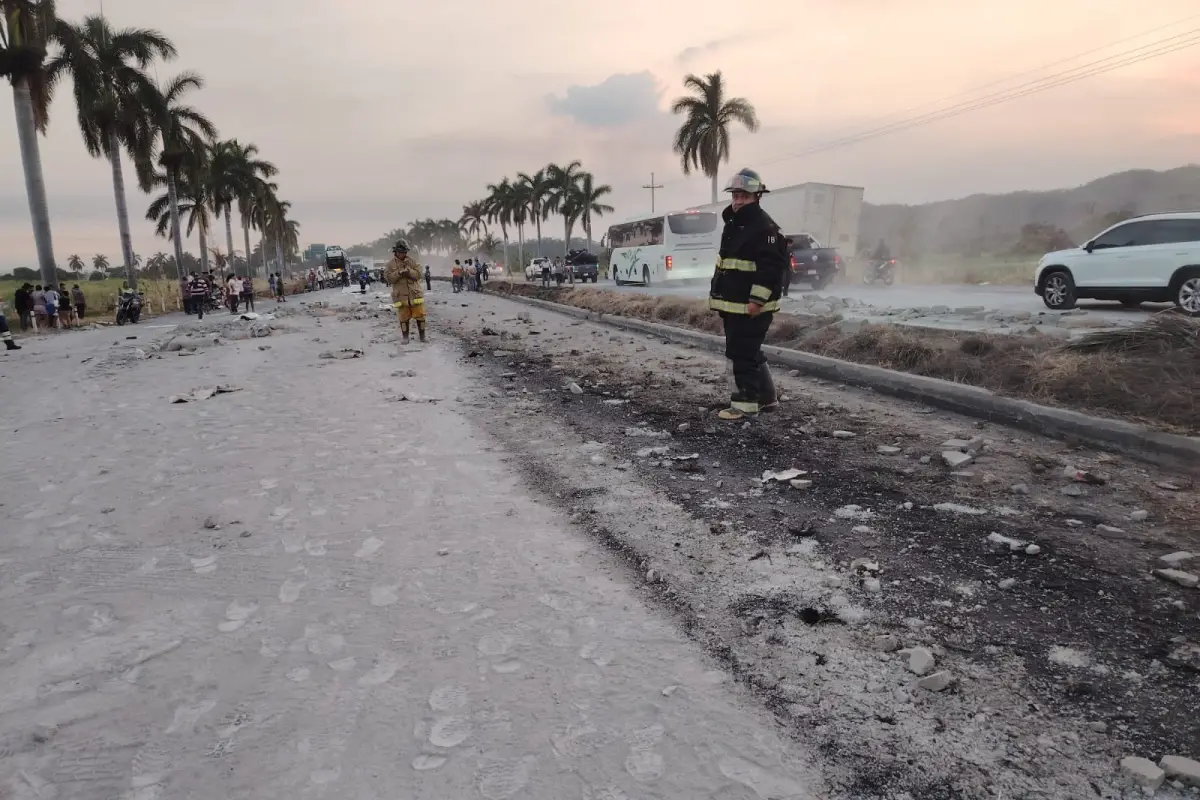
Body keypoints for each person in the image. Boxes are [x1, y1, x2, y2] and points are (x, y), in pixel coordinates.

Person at [709, 168, 787, 421]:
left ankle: (745, 404)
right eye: (736, 195)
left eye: (744, 196)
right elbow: (728, 264)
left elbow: (771, 269)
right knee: (748, 350)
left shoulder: (763, 227)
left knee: (742, 353)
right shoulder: (735, 224)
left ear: (757, 197)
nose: (738, 200)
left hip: (751, 306)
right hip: (734, 303)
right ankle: (767, 399)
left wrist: (757, 300)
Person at [383, 239, 426, 344]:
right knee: (403, 317)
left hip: (415, 294)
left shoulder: (413, 262)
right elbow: (388, 278)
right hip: (400, 296)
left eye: (404, 252)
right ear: (396, 252)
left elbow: (419, 275)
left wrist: (409, 272)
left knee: (420, 315)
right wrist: (399, 273)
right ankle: (405, 338)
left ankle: (422, 337)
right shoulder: (390, 265)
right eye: (400, 252)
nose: (403, 254)